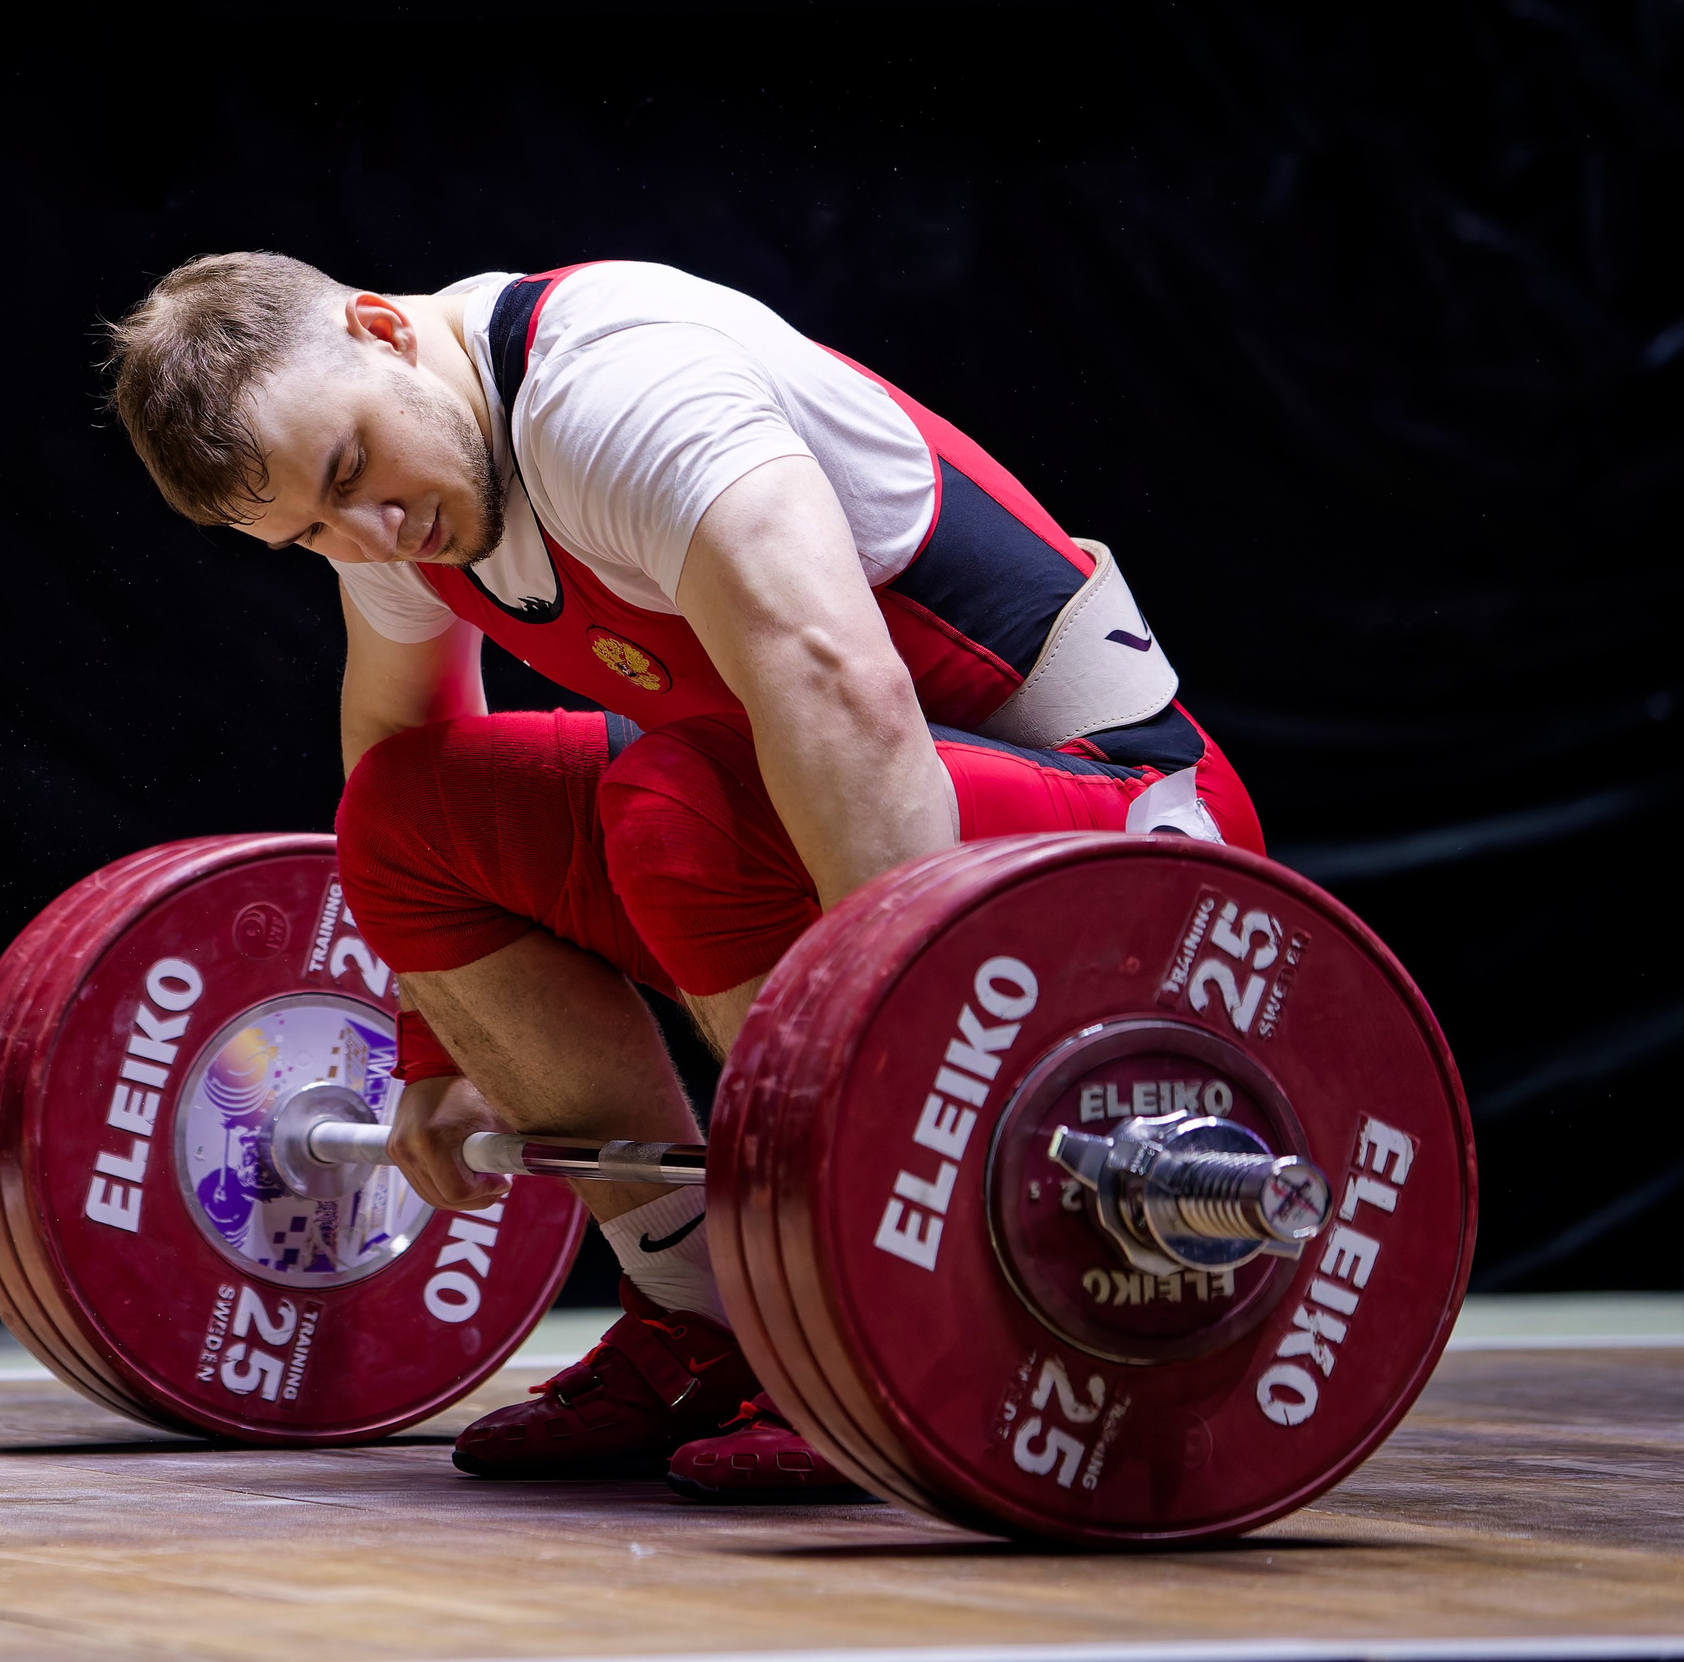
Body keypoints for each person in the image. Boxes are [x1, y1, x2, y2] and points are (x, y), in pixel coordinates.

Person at [104, 254, 1260, 1501]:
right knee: (404, 815)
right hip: (846, 824)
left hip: (1131, 839)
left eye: (349, 475)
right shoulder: (400, 489)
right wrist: (429, 1047)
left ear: (382, 332)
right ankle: (697, 1318)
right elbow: (394, 755)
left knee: (684, 804)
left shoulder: (616, 389)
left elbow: (845, 698)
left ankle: (879, 1319)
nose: (367, 535)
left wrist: (879, 1114)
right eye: (308, 533)